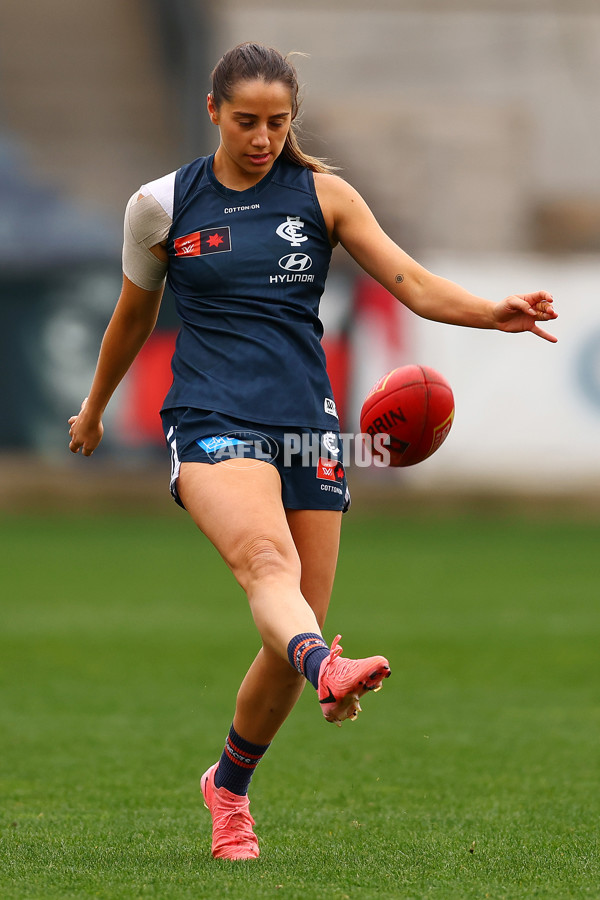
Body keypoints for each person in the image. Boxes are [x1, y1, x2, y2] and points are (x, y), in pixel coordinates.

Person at [68, 42, 557, 861]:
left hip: (307, 425)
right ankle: (325, 672)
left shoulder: (323, 197)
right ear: (215, 112)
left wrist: (490, 311)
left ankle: (228, 785)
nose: (263, 137)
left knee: (293, 627)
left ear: (293, 120)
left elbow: (407, 280)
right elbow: (131, 316)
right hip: (211, 415)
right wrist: (94, 408)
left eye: (279, 122)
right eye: (248, 121)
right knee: (268, 567)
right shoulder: (161, 203)